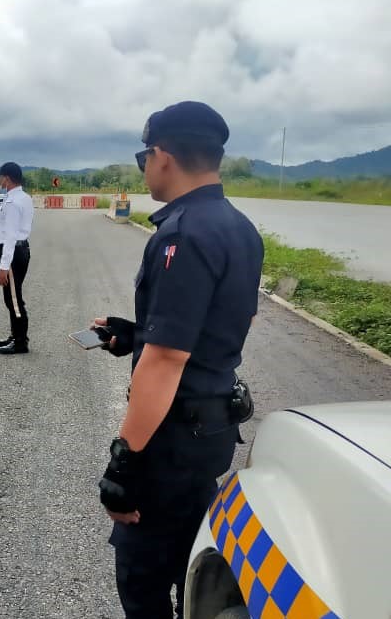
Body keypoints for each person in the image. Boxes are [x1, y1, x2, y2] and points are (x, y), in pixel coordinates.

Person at [93, 101, 264, 619]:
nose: (144, 165)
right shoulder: (239, 227)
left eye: (145, 154)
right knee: (190, 565)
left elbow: (167, 361)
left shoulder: (181, 234)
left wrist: (125, 462)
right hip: (209, 436)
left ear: (163, 156)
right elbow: (224, 326)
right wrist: (137, 336)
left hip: (169, 446)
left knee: (144, 586)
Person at [0, 161, 34, 355]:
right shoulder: (22, 197)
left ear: (6, 178)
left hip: (13, 254)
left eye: (0, 176)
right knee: (12, 298)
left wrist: (3, 266)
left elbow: (10, 237)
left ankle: (20, 342)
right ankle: (15, 335)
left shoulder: (13, 202)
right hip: (18, 252)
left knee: (14, 300)